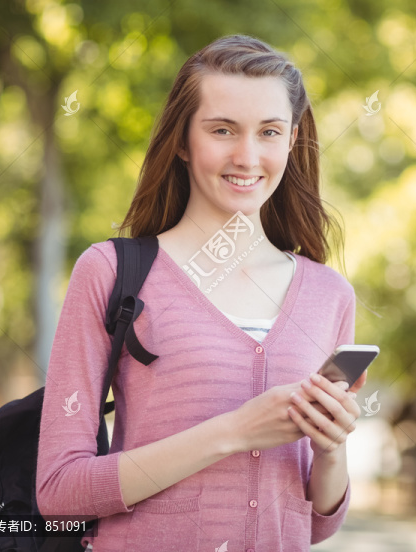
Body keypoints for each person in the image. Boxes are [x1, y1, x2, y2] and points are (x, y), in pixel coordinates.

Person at [36, 34, 367, 551]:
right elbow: (59, 493)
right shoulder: (110, 272)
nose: (247, 155)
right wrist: (233, 432)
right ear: (182, 141)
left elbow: (316, 525)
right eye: (222, 130)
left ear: (292, 141)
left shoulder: (330, 295)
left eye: (269, 132)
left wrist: (330, 450)